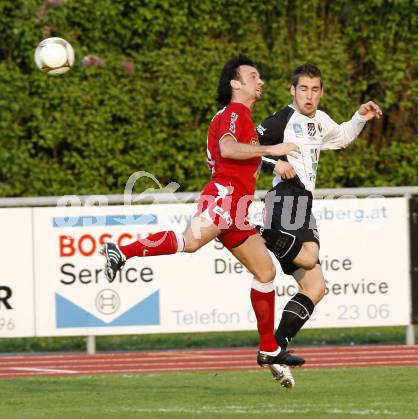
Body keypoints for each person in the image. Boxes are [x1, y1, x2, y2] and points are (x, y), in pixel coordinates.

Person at [101, 56, 304, 367]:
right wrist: (272, 150)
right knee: (189, 242)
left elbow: (238, 153)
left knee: (265, 272)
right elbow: (228, 149)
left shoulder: (238, 115)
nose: (259, 81)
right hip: (224, 198)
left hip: (237, 207)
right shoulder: (236, 112)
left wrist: (270, 162)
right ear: (236, 84)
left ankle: (269, 349)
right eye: (253, 76)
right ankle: (122, 249)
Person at [256, 63, 382, 388]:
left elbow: (340, 139)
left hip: (302, 202)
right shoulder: (281, 119)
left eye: (314, 90)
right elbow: (245, 149)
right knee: (309, 258)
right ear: (292, 91)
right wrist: (275, 160)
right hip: (285, 196)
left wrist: (360, 117)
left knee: (315, 287)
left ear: (321, 92)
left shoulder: (320, 120)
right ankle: (261, 234)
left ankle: (276, 347)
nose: (308, 96)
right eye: (303, 89)